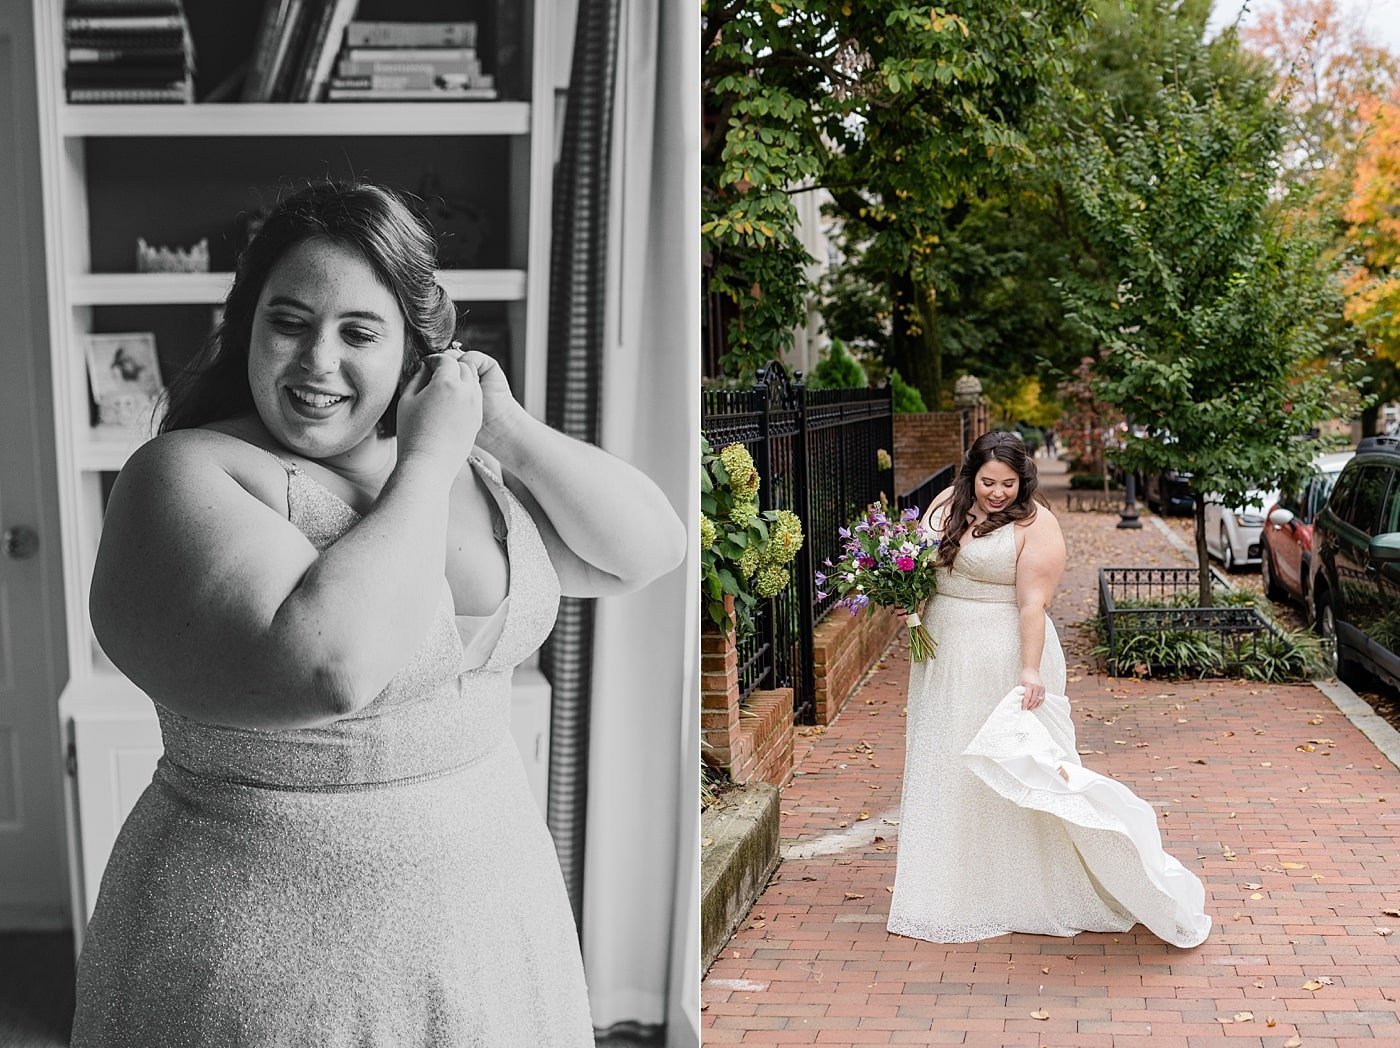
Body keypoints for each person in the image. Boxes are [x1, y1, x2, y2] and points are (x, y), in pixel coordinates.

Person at [71, 179, 687, 1046]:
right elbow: (329, 666)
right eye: (289, 322)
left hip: (488, 918)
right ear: (246, 325)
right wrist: (431, 460)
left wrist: (501, 427)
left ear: (414, 354)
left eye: (359, 332)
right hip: (266, 953)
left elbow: (650, 548)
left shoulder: (464, 466)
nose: (318, 362)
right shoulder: (183, 473)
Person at [887, 431, 1210, 948]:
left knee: (1012, 766)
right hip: (944, 650)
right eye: (987, 482)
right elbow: (919, 563)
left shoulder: (1039, 525)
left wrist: (1031, 670)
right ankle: (952, 882)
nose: (996, 493)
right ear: (971, 474)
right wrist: (899, 589)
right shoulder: (947, 502)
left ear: (1024, 480)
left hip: (1002, 651)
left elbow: (1031, 606)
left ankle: (1028, 885)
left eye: (1008, 484)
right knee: (946, 760)